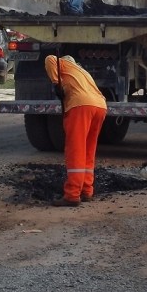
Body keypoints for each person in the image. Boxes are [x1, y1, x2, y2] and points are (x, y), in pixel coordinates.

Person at [44, 55, 108, 206]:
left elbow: (50, 59)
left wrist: (56, 84)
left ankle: (72, 195)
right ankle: (86, 191)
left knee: (76, 149)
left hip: (81, 106)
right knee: (88, 150)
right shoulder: (83, 72)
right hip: (100, 106)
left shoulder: (64, 63)